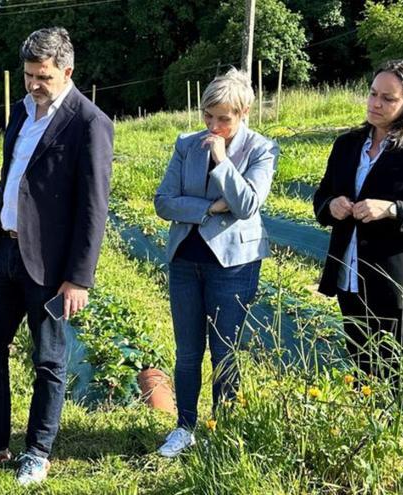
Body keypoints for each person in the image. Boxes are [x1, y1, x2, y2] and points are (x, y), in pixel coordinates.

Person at [0, 27, 113, 485]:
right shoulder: (20, 113)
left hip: (51, 265)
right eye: (28, 75)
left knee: (49, 361)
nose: (34, 85)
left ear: (67, 71)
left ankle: (37, 451)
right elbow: (9, 180)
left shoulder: (89, 122)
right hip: (4, 251)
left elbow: (93, 208)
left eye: (43, 76)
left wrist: (78, 279)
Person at [153, 68, 279, 457]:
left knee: (226, 350)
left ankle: (222, 427)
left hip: (234, 265)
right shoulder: (186, 145)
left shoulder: (261, 149)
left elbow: (245, 205)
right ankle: (185, 427)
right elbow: (163, 202)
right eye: (208, 116)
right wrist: (209, 208)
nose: (213, 125)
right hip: (185, 260)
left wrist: (223, 161)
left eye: (224, 118)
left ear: (243, 114)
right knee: (188, 351)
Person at [313, 59, 403, 391]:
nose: (376, 104)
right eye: (373, 93)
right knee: (360, 367)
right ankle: (363, 433)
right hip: (348, 273)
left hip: (391, 282)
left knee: (393, 374)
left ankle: (394, 435)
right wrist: (330, 205)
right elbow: (322, 196)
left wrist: (392, 209)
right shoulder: (348, 144)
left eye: (388, 98)